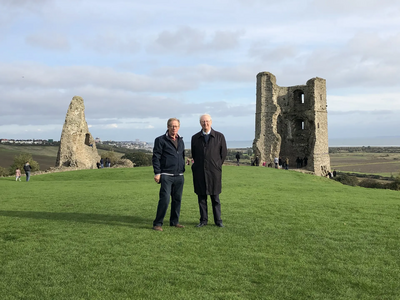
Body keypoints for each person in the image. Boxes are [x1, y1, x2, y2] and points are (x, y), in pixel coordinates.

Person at [191, 114, 227, 228]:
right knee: (201, 198)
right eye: (203, 122)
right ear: (200, 123)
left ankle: (218, 220)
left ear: (211, 122)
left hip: (214, 172)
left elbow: (223, 154)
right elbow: (194, 154)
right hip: (200, 172)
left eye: (207, 121)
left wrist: (216, 165)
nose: (205, 124)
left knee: (215, 198)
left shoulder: (219, 136)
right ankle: (203, 220)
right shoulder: (195, 137)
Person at [152, 118, 186, 232]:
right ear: (168, 127)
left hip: (179, 175)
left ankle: (174, 221)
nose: (174, 128)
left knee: (177, 199)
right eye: (172, 126)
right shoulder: (160, 140)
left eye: (176, 126)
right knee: (165, 199)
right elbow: (156, 157)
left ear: (179, 127)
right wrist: (157, 173)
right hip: (166, 175)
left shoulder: (180, 140)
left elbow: (182, 156)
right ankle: (157, 223)